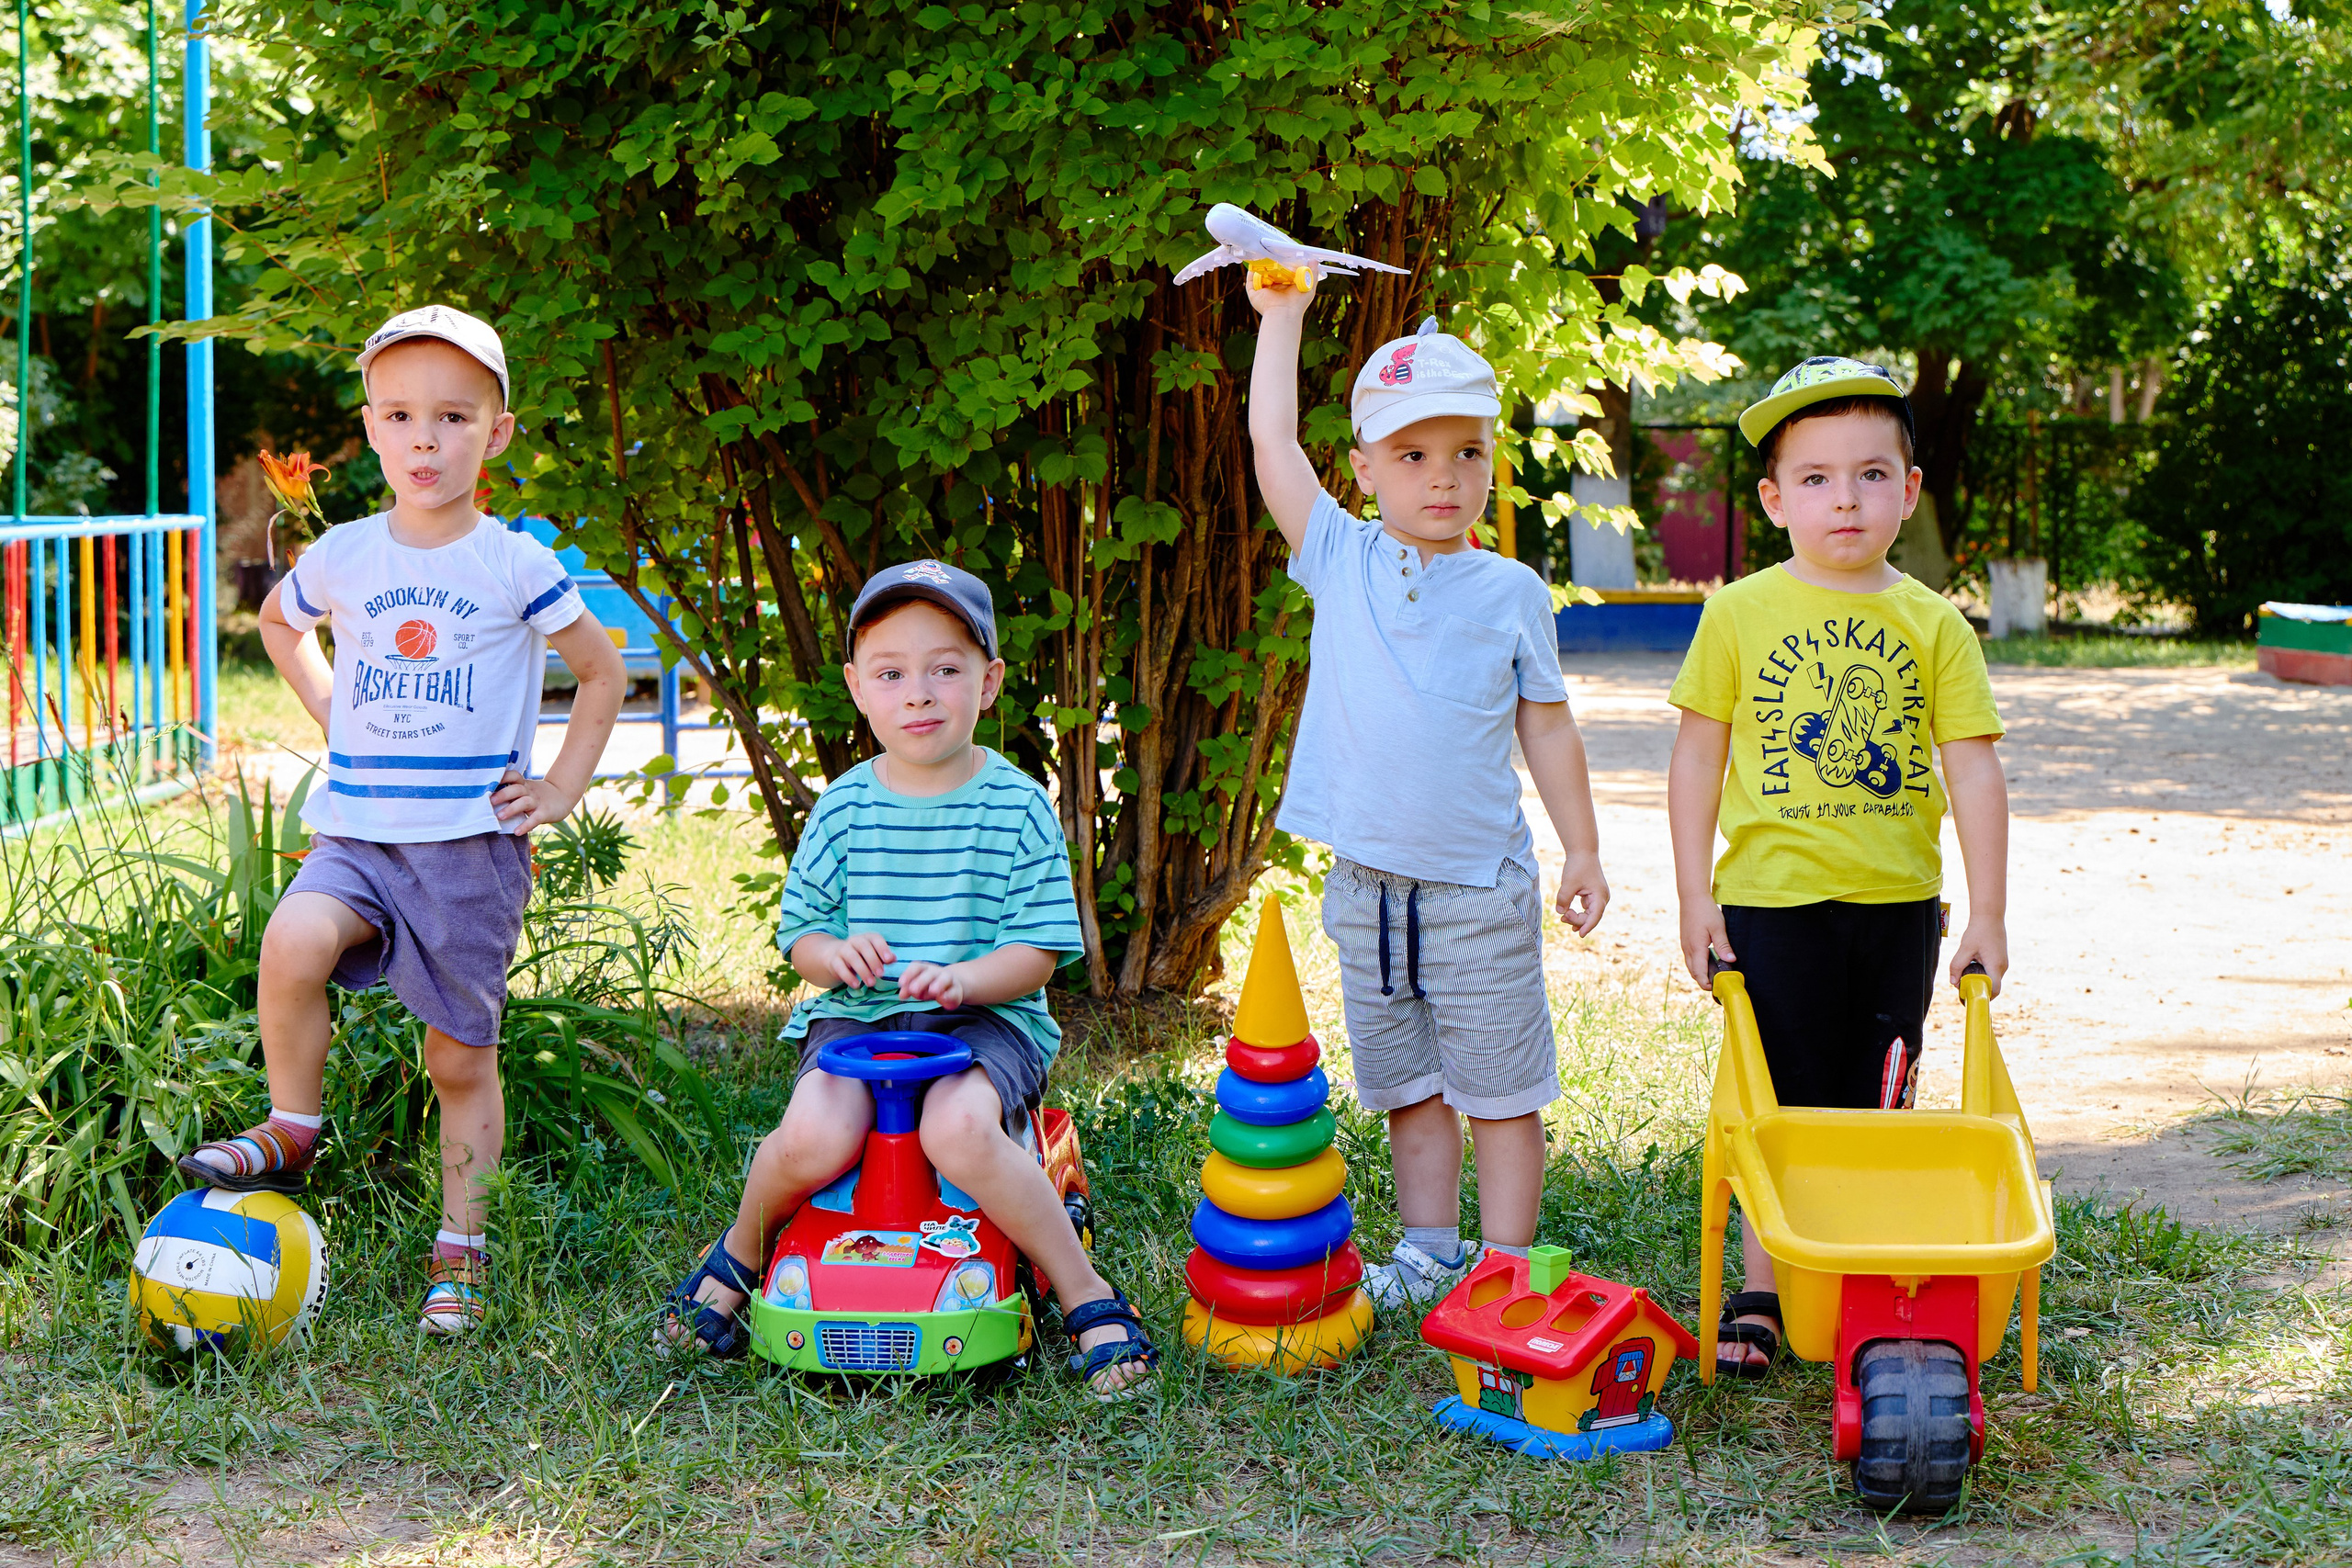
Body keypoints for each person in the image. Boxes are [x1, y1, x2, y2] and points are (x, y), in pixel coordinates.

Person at [179, 305, 627, 1337]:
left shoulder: (513, 563)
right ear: (371, 429)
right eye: (401, 416)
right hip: (358, 836)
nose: (426, 439)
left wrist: (557, 791)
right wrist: (335, 708)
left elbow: (598, 671)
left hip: (467, 851)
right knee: (292, 938)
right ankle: (294, 1127)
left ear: (498, 433)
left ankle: (460, 1247)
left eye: (454, 418)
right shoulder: (344, 552)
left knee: (456, 1060)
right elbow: (280, 623)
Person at [657, 560, 1158, 1400]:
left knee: (957, 1131)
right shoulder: (844, 805)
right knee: (816, 1136)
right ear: (858, 688)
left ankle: (1085, 1292)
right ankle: (742, 1249)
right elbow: (802, 935)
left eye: (946, 669)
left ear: (989, 682)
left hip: (983, 1021)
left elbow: (1035, 953)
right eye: (892, 674)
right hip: (861, 1022)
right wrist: (833, 956)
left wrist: (963, 980)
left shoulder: (1017, 804)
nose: (919, 694)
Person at [1246, 270, 1610, 1309]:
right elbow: (1274, 447)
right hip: (1368, 889)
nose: (1442, 478)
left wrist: (1580, 847)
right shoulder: (1340, 557)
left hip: (1474, 889)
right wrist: (1283, 320)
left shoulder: (1510, 591)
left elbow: (1545, 722)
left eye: (1466, 454)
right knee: (1407, 1087)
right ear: (1363, 470)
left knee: (1499, 1091)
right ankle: (1428, 1249)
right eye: (1412, 455)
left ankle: (1502, 1265)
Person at [1667, 356, 2009, 1376]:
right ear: (1774, 500)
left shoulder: (1935, 623)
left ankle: (1861, 1275)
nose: (1844, 498)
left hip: (1897, 906)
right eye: (1814, 477)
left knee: (1873, 1102)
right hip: (1770, 905)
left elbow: (1975, 771)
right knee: (1775, 1096)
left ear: (1907, 492)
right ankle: (1767, 1286)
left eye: (1869, 474)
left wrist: (1986, 908)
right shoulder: (1736, 613)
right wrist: (1694, 895)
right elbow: (1697, 756)